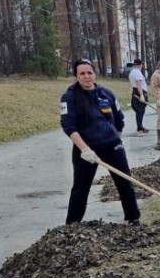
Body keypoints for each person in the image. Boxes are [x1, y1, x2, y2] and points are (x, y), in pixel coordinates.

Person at [60, 59, 141, 226]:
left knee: (125, 182)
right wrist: (84, 149)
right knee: (80, 188)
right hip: (86, 149)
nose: (86, 76)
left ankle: (133, 218)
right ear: (76, 76)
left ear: (94, 74)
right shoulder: (69, 97)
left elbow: (119, 119)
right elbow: (68, 126)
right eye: (82, 73)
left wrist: (116, 138)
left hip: (112, 145)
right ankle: (72, 225)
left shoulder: (107, 93)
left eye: (89, 72)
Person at [128, 59, 149, 135]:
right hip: (139, 92)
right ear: (140, 65)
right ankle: (139, 129)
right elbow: (138, 84)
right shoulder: (137, 73)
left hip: (135, 91)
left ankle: (140, 126)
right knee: (140, 111)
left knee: (139, 111)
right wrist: (142, 95)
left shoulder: (132, 72)